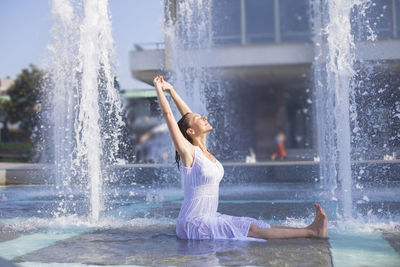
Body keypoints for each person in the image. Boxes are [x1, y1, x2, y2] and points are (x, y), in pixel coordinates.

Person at [153, 76, 328, 240]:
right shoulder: (189, 152)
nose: (204, 117)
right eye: (199, 119)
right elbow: (170, 116)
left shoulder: (204, 150)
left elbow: (188, 118)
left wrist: (171, 90)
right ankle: (311, 232)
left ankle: (311, 228)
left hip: (209, 218)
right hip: (194, 223)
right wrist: (159, 89)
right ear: (191, 132)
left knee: (255, 224)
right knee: (250, 230)